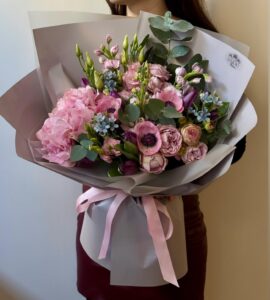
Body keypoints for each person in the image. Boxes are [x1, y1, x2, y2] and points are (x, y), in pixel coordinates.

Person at [76, 1, 247, 299]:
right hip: (102, 225)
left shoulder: (203, 46)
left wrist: (173, 165)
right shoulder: (94, 42)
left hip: (170, 228)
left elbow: (235, 143)